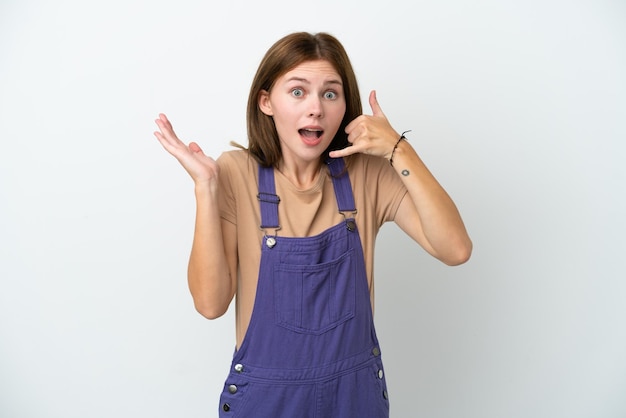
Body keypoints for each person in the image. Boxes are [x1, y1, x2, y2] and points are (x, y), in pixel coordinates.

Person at [154, 31, 471, 418]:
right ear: (266, 102)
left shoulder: (367, 174)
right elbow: (210, 304)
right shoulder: (235, 174)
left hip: (354, 401)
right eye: (298, 92)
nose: (316, 109)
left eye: (330, 93)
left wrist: (396, 148)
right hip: (266, 404)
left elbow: (456, 249)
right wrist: (206, 189)